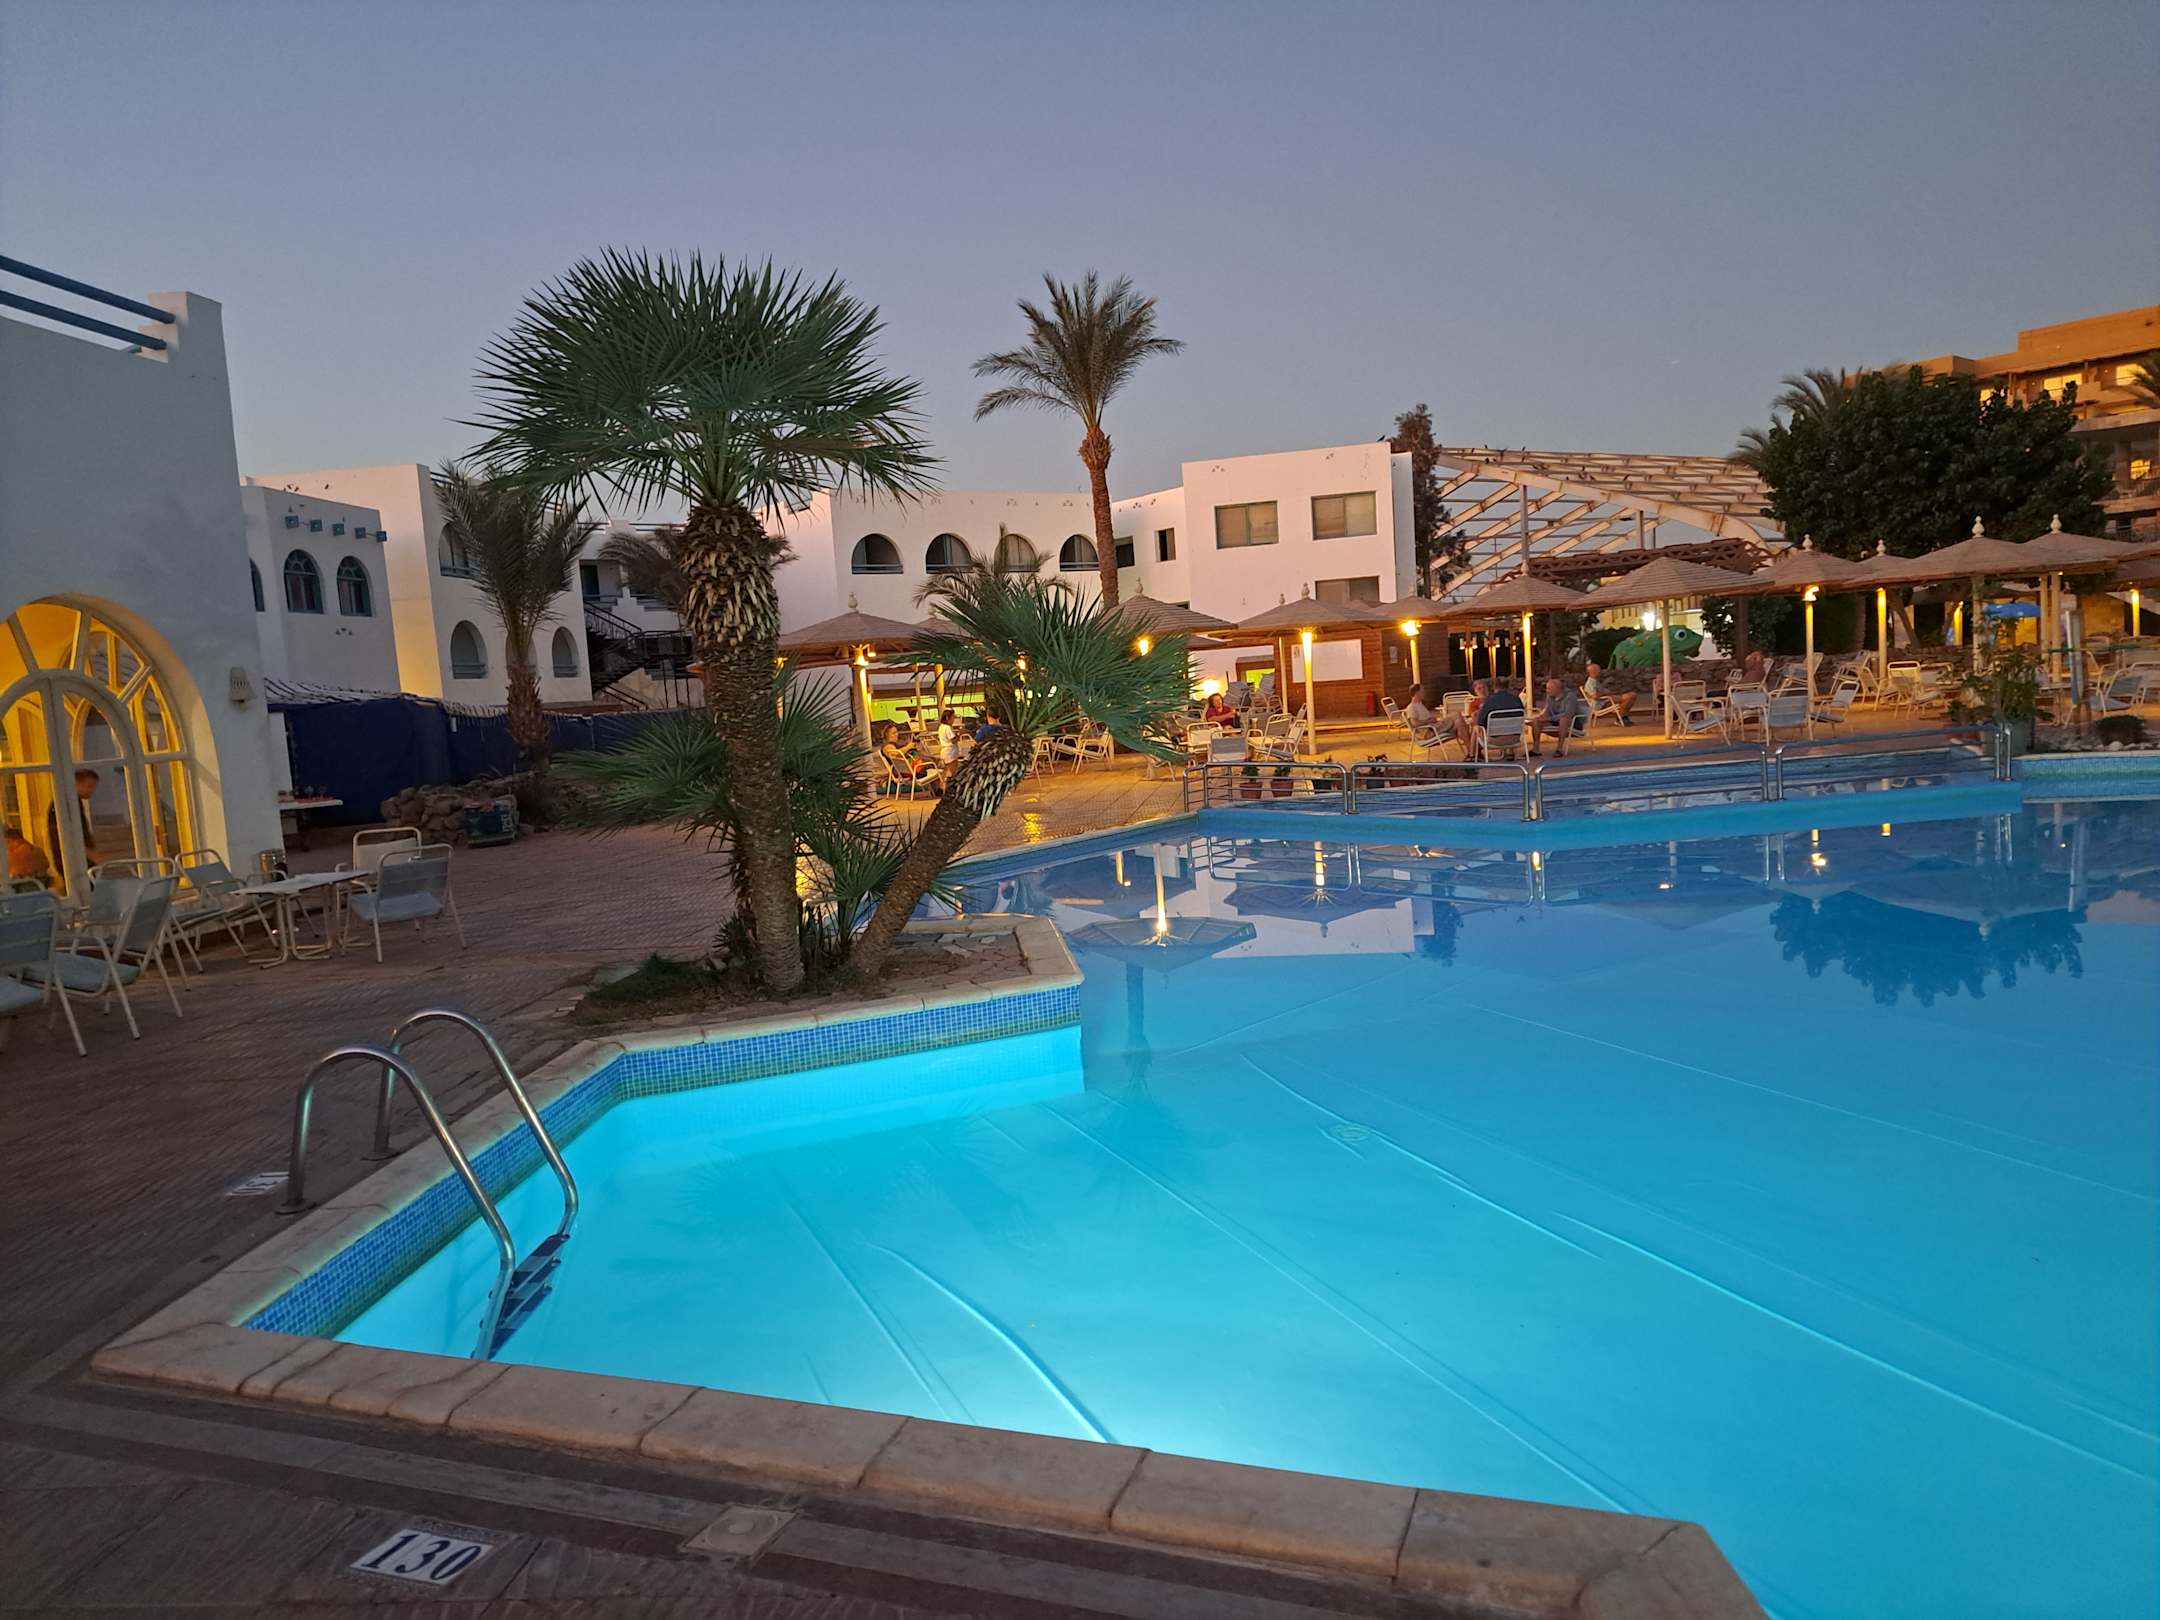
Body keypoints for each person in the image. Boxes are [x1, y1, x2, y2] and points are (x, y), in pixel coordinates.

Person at [45, 768, 101, 869]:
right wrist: (89, 853)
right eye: (89, 786)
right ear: (76, 784)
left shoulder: (68, 802)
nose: (92, 791)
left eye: (94, 787)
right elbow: (69, 833)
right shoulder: (69, 803)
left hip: (73, 857)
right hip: (73, 858)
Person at [1528, 678, 1585, 758]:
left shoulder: (1570, 696)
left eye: (1549, 689)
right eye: (1547, 688)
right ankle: (1535, 749)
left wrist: (1548, 719)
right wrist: (1542, 717)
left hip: (1572, 722)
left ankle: (1559, 749)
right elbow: (1547, 710)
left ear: (1558, 689)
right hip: (1555, 721)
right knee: (1536, 720)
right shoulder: (1550, 696)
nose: (1547, 691)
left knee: (1563, 719)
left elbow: (1568, 714)